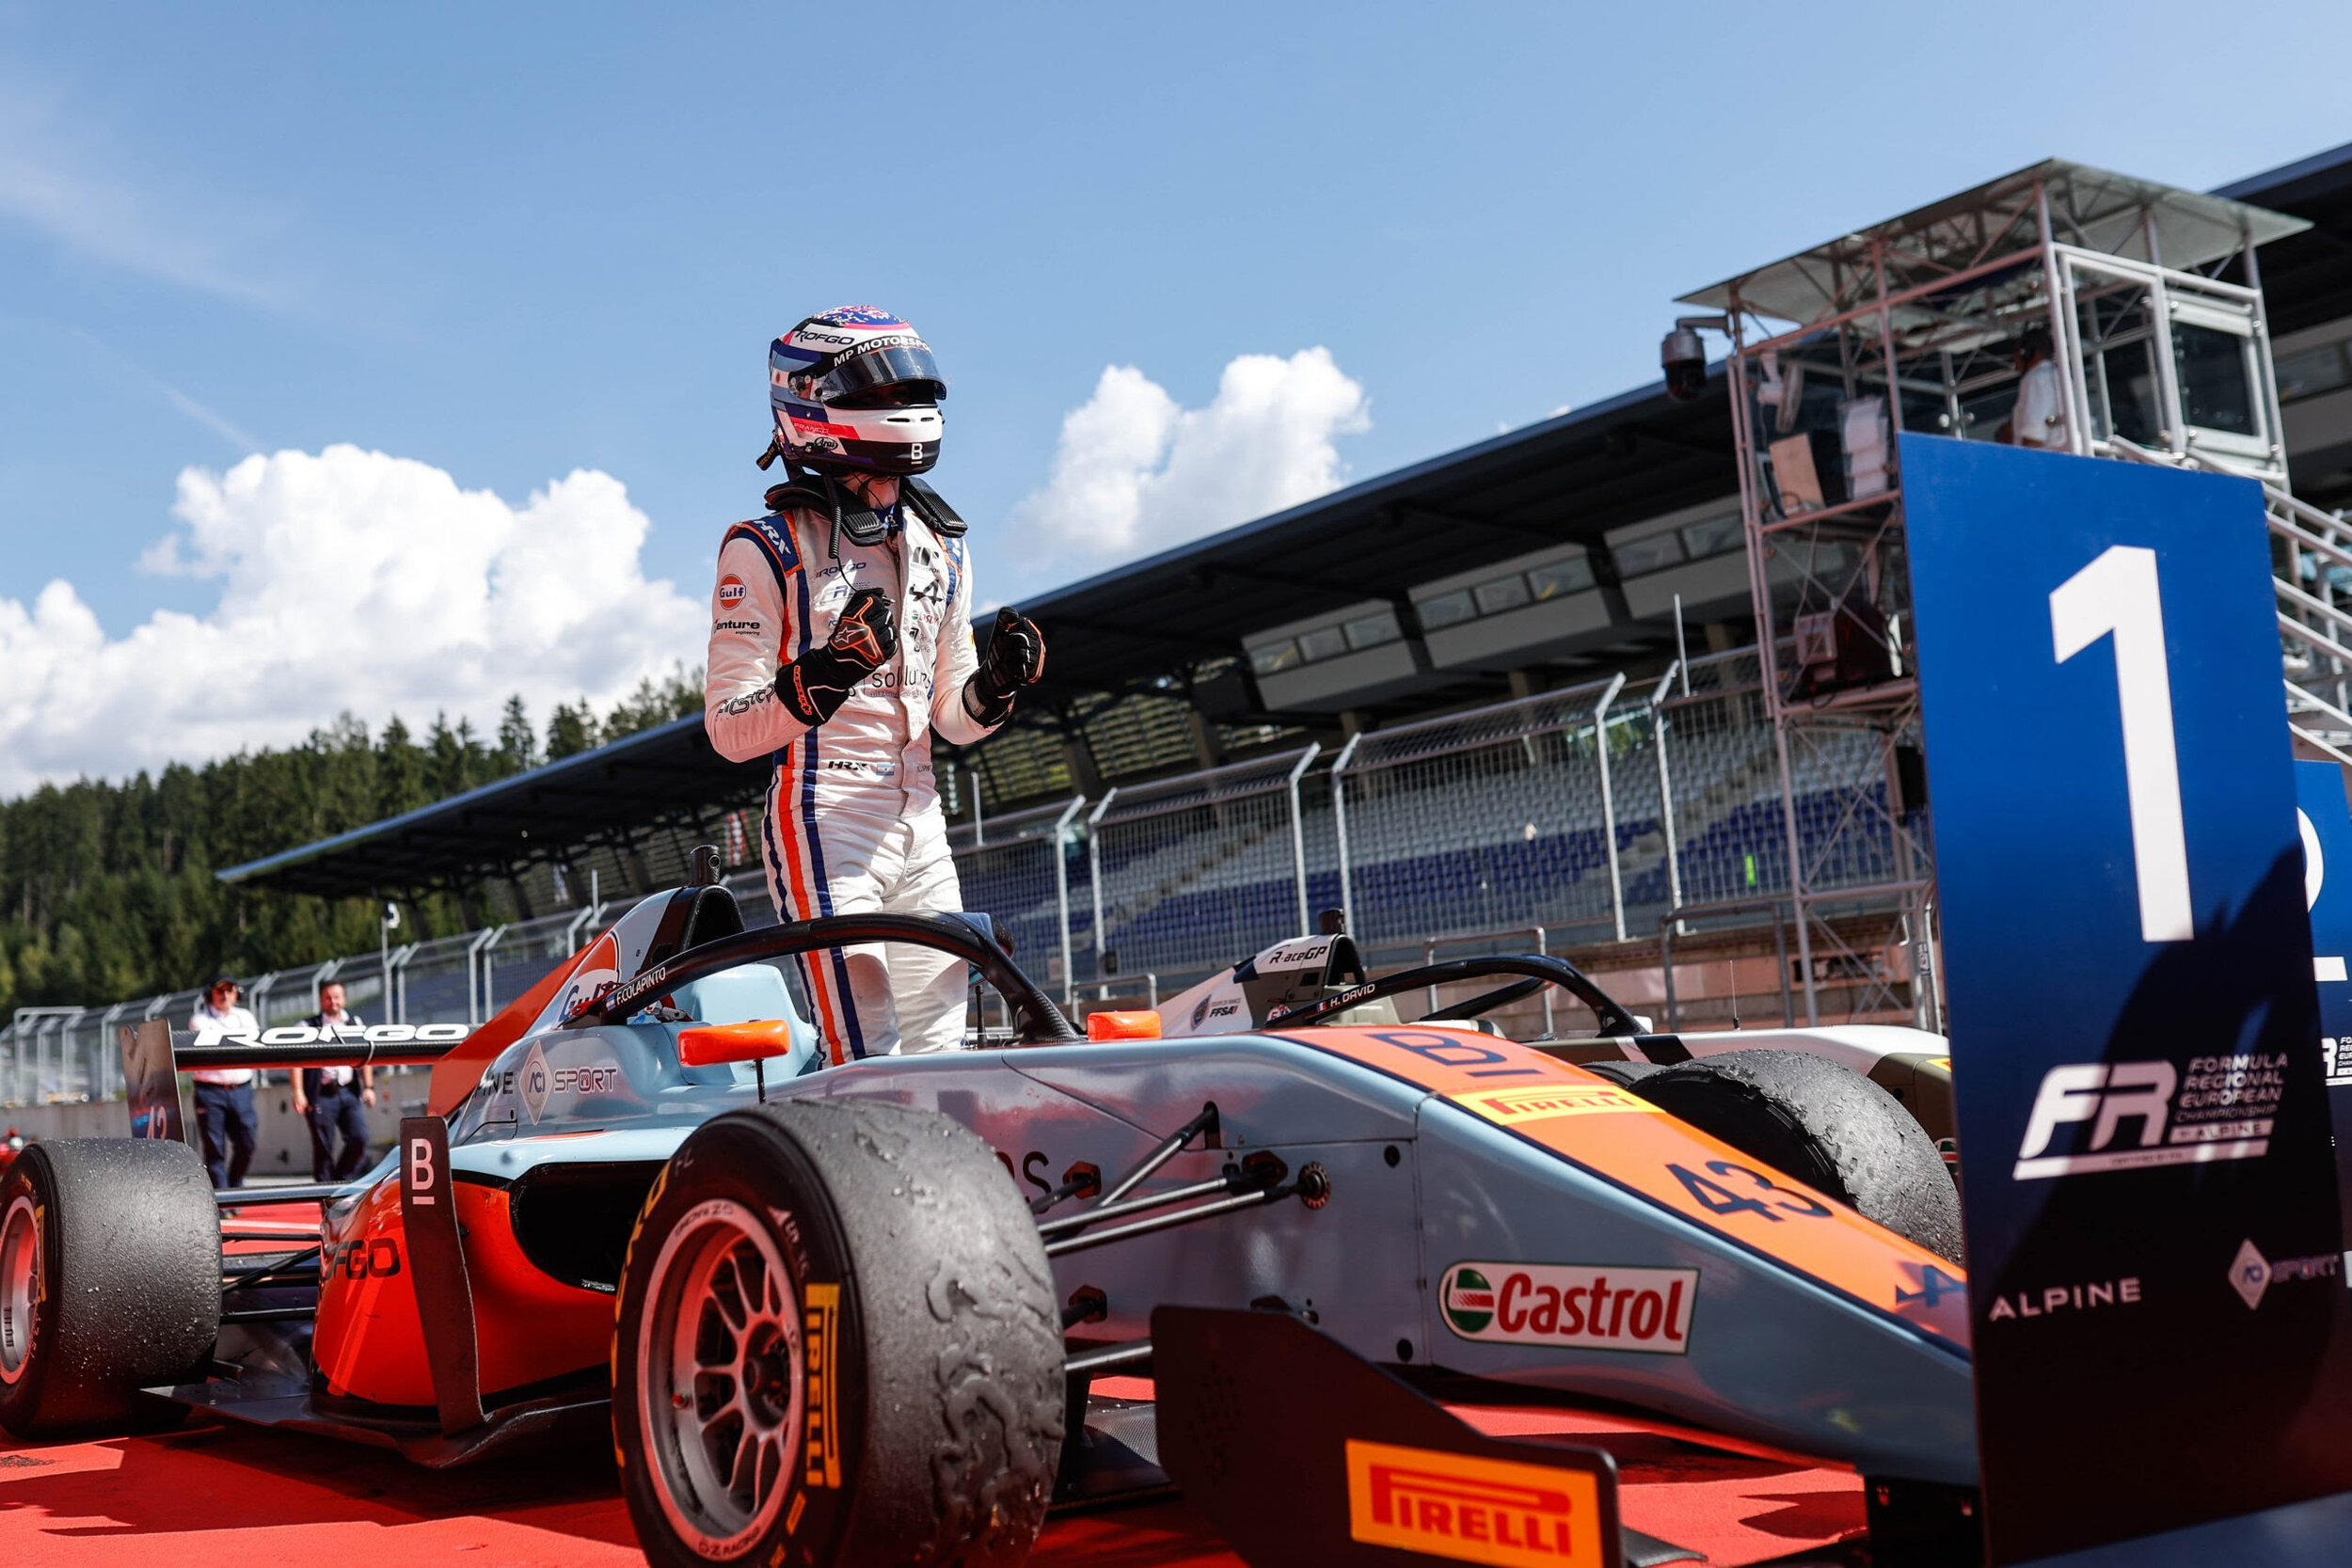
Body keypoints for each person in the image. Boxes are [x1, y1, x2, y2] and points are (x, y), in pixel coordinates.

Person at [706, 306, 1046, 1062]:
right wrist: (827, 673)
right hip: (827, 817)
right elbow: (729, 727)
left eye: (896, 474)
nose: (886, 488)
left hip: (923, 820)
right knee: (872, 1053)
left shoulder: (944, 549)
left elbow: (952, 717)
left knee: (940, 1051)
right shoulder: (765, 548)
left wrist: (994, 685)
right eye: (874, 470)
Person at [291, 978, 375, 1182]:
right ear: (321, 1000)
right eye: (328, 998)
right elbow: (295, 1061)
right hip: (321, 1095)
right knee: (323, 1148)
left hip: (349, 1092)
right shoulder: (307, 1026)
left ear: (344, 999)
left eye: (337, 997)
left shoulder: (355, 1023)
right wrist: (298, 1092)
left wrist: (369, 1087)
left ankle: (340, 1181)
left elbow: (366, 1058)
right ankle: (324, 1196)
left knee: (359, 1138)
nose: (333, 1002)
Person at [189, 974, 261, 1190]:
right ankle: (222, 1197)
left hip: (241, 1089)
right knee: (215, 1148)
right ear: (209, 994)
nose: (225, 995)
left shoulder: (246, 1017)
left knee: (247, 1142)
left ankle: (235, 1185)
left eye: (230, 990)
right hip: (210, 1091)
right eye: (220, 990)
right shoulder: (200, 1020)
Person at [1999, 325, 2071, 452]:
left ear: (2028, 353)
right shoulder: (2060, 375)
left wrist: (2026, 467)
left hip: (2049, 460)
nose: (2016, 367)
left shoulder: (2035, 378)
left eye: (2016, 359)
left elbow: (2034, 435)